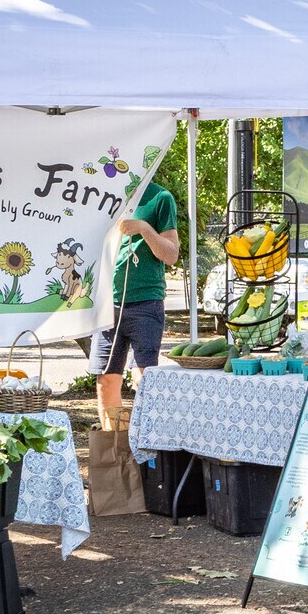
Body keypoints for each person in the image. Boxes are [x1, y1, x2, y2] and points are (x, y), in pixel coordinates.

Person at [90, 176, 181, 429]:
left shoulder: (160, 198)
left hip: (145, 301)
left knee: (144, 380)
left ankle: (147, 453)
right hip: (108, 304)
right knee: (106, 381)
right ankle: (115, 456)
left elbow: (171, 255)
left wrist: (145, 229)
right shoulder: (99, 194)